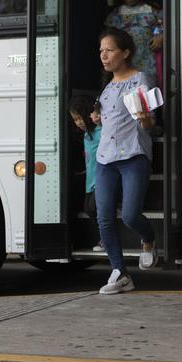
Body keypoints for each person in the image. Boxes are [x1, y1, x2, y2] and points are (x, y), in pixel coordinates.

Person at [94, 27, 158, 295]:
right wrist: (95, 117)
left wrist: (145, 119)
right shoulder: (107, 88)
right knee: (104, 218)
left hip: (133, 155)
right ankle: (120, 271)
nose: (103, 56)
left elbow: (151, 121)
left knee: (131, 215)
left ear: (126, 53)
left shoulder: (141, 78)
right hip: (105, 159)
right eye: (101, 51)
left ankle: (149, 237)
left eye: (109, 50)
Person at [104, 0, 162, 83]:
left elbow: (162, 26)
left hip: (148, 62)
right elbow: (107, 37)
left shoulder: (151, 10)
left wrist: (160, 36)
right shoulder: (116, 14)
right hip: (125, 63)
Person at [69, 95, 103, 252]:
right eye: (75, 120)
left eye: (79, 118)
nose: (78, 123)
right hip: (90, 180)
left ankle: (105, 239)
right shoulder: (86, 135)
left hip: (101, 179)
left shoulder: (100, 131)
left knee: (94, 206)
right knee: (88, 209)